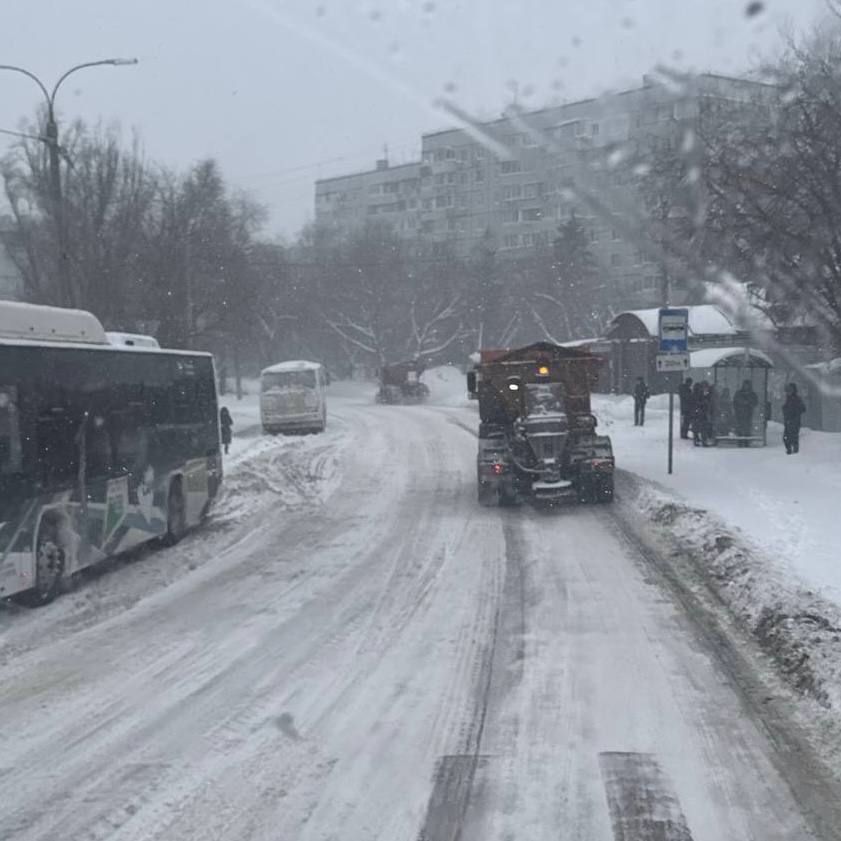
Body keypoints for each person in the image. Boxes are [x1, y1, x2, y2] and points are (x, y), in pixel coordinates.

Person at [733, 379, 758, 448]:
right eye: (745, 385)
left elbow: (755, 402)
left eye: (747, 385)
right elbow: (735, 402)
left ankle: (747, 442)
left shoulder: (752, 394)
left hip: (748, 414)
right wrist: (741, 404)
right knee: (740, 427)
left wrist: (749, 403)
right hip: (739, 414)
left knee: (747, 428)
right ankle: (740, 442)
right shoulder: (738, 393)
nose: (746, 386)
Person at [782, 383, 806, 454]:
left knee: (793, 437)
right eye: (788, 390)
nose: (789, 391)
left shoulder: (797, 399)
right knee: (786, 437)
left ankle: (795, 452)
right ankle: (789, 450)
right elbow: (785, 409)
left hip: (795, 422)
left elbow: (803, 409)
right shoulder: (787, 399)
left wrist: (794, 411)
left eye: (790, 389)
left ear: (794, 390)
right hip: (788, 422)